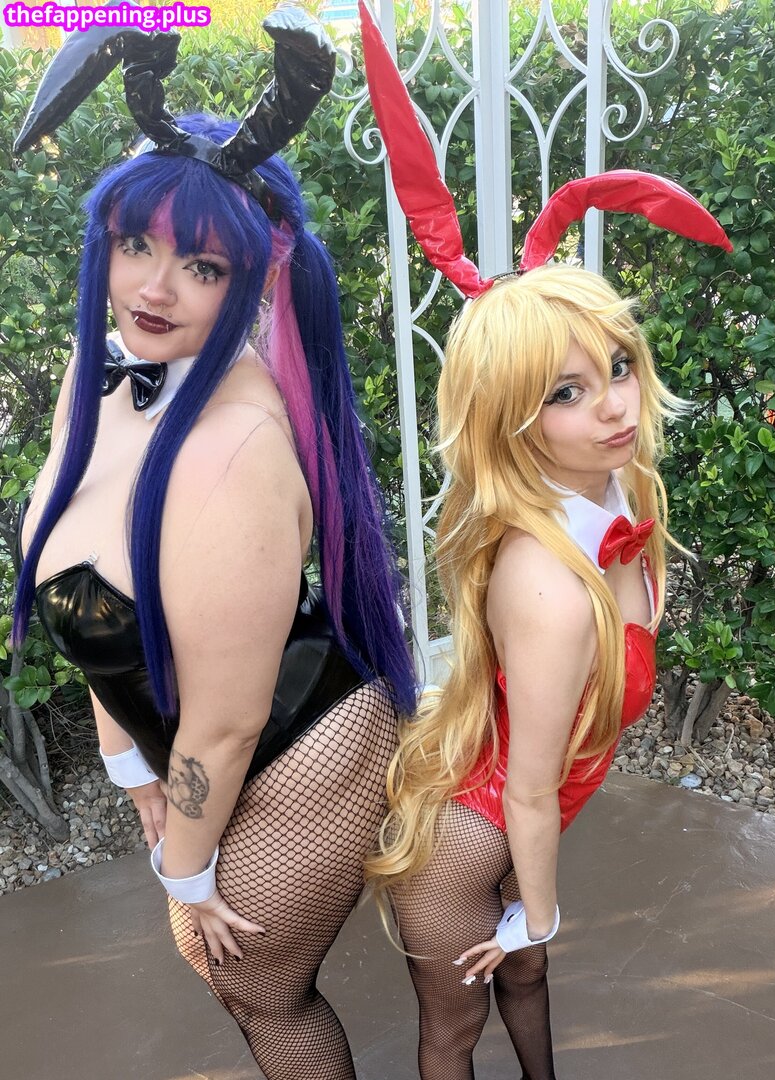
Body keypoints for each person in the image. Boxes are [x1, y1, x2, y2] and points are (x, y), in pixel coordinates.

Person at [13, 13, 415, 1080]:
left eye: (199, 264)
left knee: (260, 992)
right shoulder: (97, 373)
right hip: (201, 739)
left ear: (252, 278)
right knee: (229, 980)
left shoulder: (236, 453)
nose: (152, 289)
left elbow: (232, 721)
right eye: (136, 246)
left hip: (297, 750)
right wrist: (131, 772)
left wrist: (186, 873)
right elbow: (89, 589)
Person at [356, 4, 732, 1076]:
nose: (613, 404)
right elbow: (527, 790)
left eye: (616, 366)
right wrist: (542, 910)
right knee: (453, 1031)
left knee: (528, 980)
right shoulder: (551, 586)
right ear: (512, 422)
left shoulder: (621, 504)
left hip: (512, 828)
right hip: (465, 846)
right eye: (565, 392)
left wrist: (535, 919)